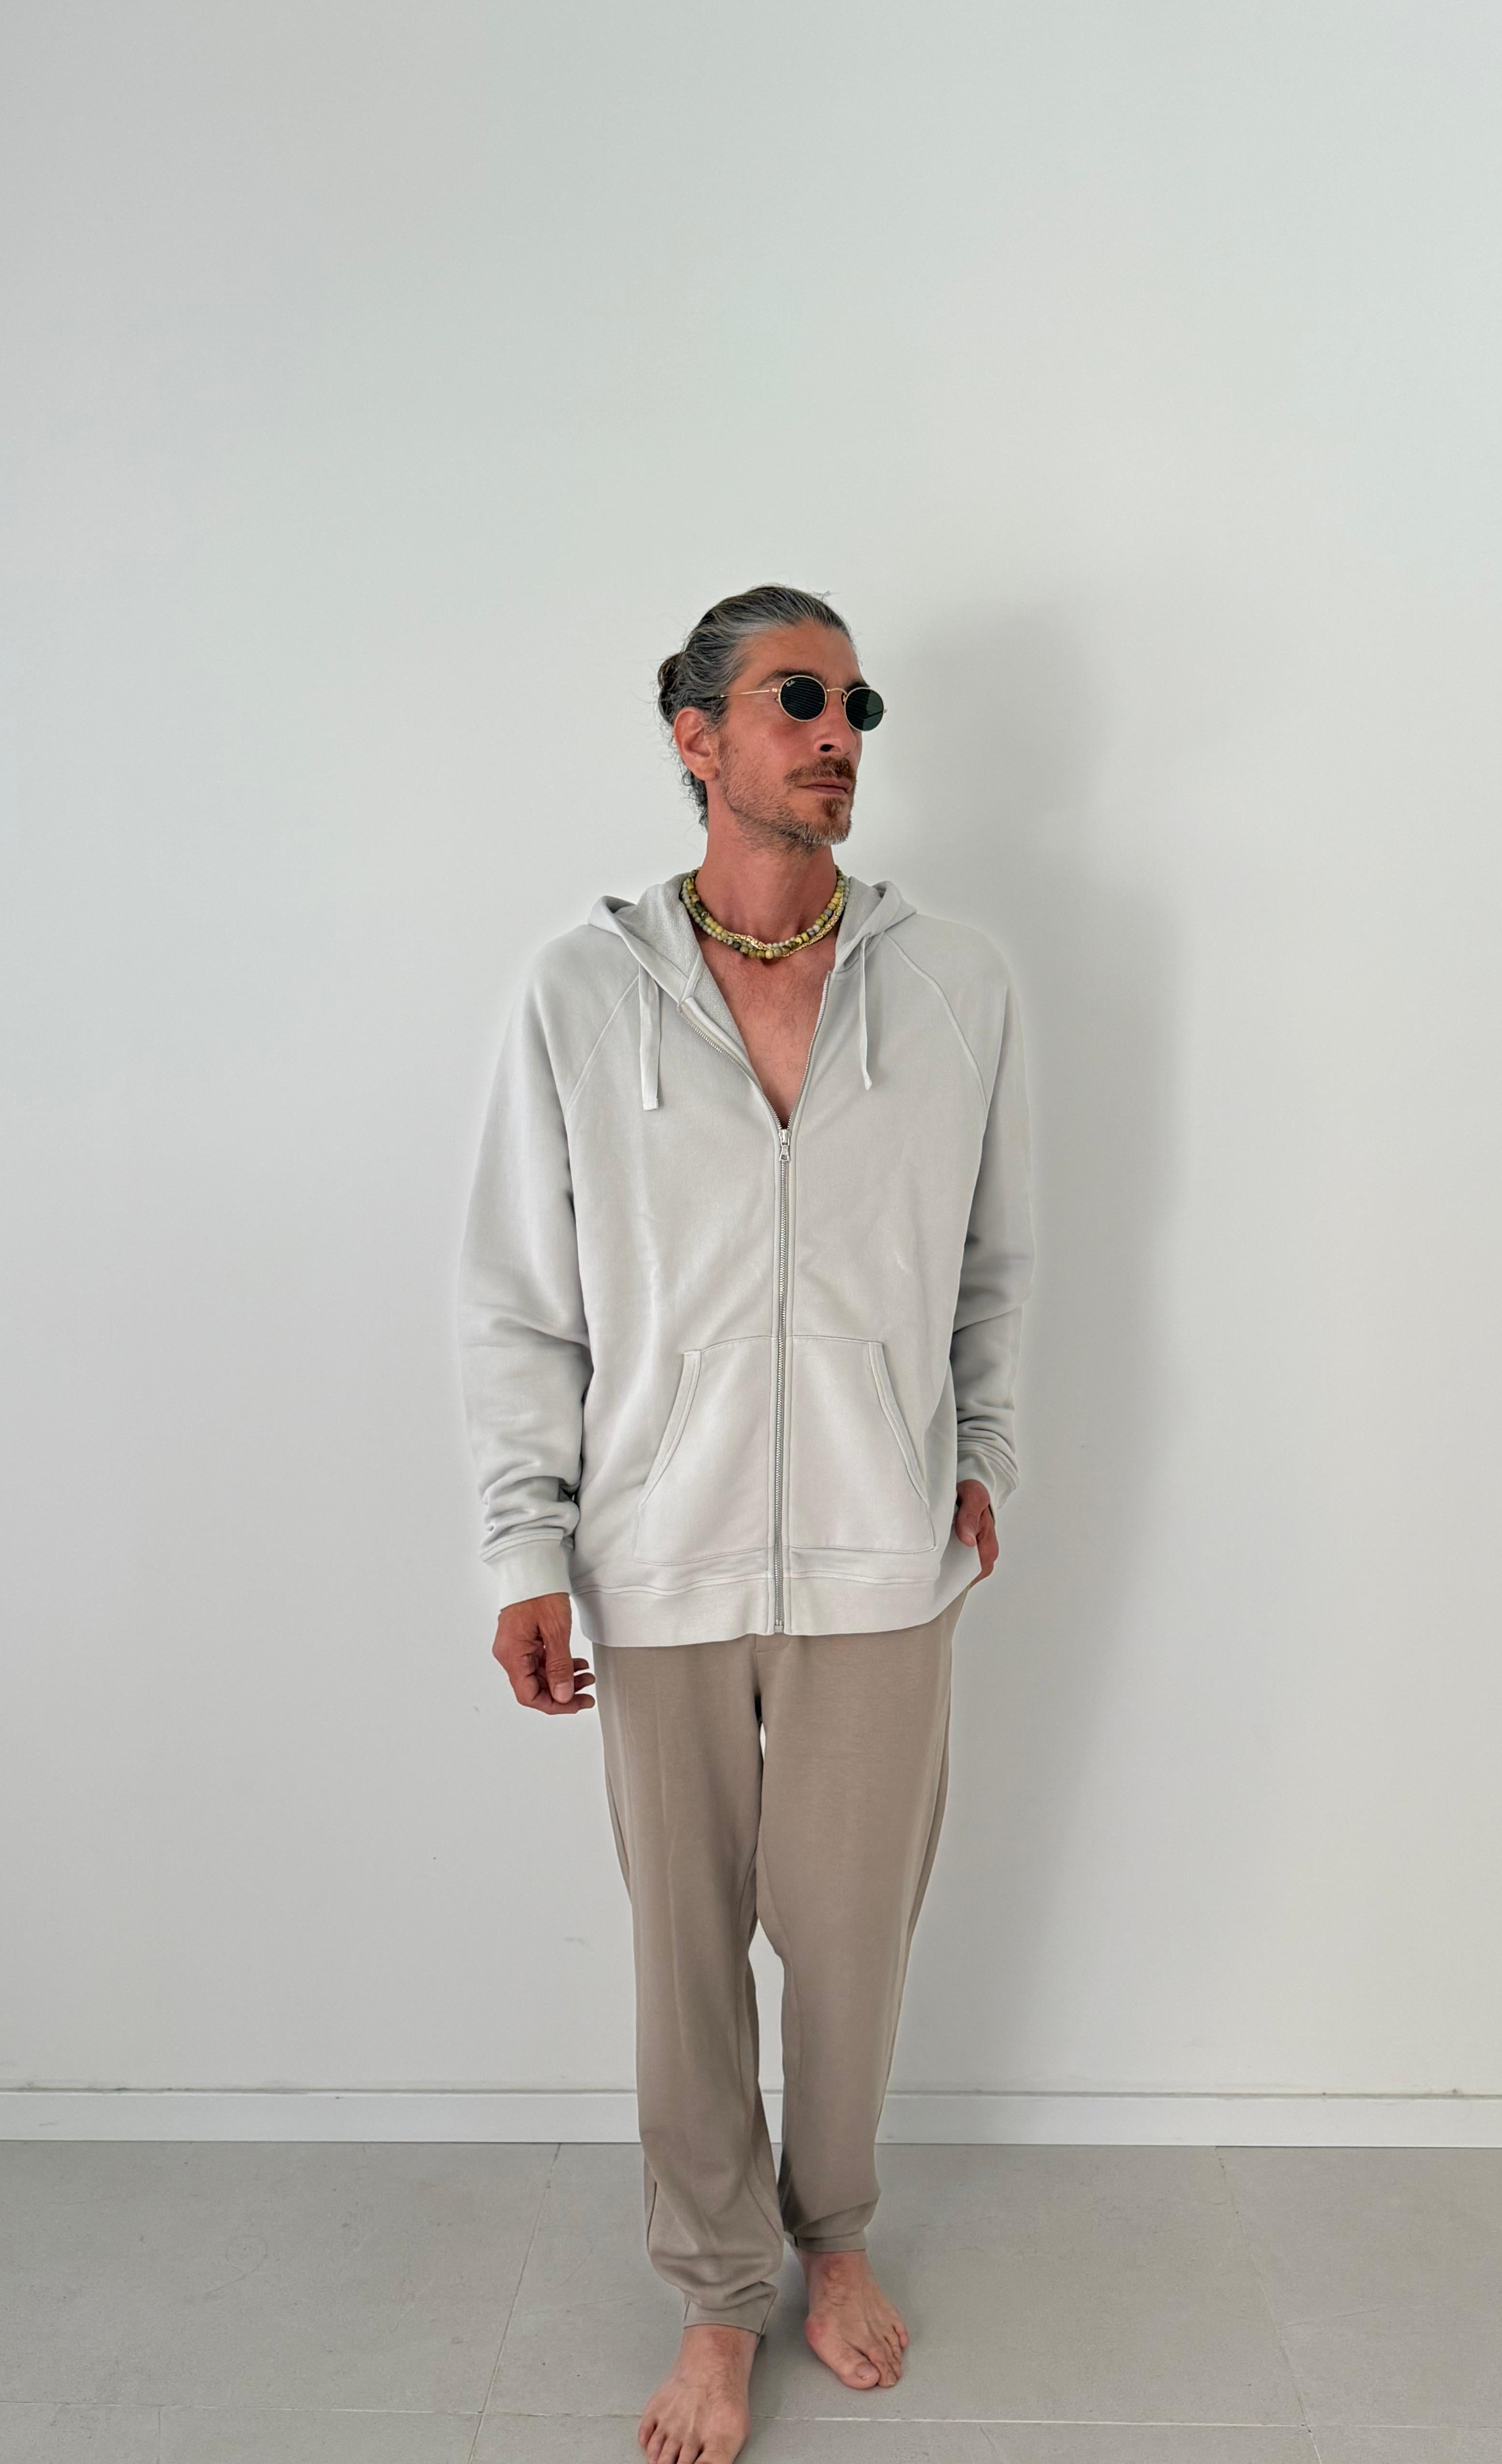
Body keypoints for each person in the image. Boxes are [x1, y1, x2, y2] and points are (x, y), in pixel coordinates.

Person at [455, 582, 1034, 2464]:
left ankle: (832, 2238)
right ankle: (718, 2297)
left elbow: (999, 1263)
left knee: (851, 1942)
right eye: (800, 697)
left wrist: (988, 1458)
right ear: (696, 734)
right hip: (659, 1542)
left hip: (883, 1542)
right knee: (687, 1952)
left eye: (858, 705)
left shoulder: (959, 985)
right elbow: (518, 1297)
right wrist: (525, 1545)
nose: (840, 732)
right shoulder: (580, 990)